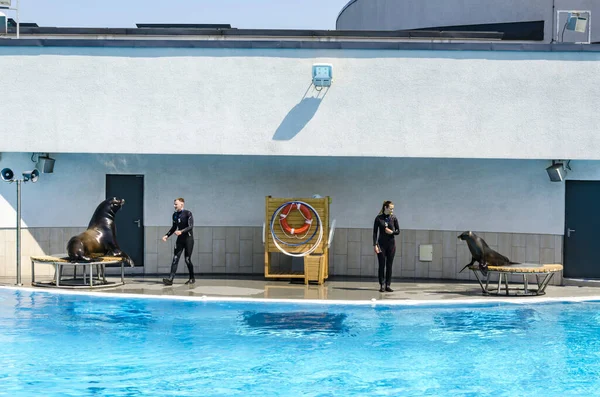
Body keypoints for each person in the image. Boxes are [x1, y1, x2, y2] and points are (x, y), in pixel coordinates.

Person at [162, 197, 195, 285]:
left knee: (187, 259)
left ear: (182, 204)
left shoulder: (188, 213)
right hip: (180, 240)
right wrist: (167, 235)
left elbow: (190, 226)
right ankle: (170, 279)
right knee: (175, 258)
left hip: (188, 239)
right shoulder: (175, 215)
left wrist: (181, 231)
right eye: (174, 204)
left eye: (176, 204)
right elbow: (173, 228)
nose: (174, 206)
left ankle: (192, 278)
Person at [373, 200, 400, 292]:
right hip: (381, 245)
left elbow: (398, 231)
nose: (392, 210)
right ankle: (382, 284)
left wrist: (392, 232)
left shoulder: (394, 218)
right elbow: (375, 233)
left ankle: (388, 284)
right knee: (381, 265)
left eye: (393, 209)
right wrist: (375, 245)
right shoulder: (378, 218)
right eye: (391, 208)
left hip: (391, 245)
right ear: (386, 208)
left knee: (389, 265)